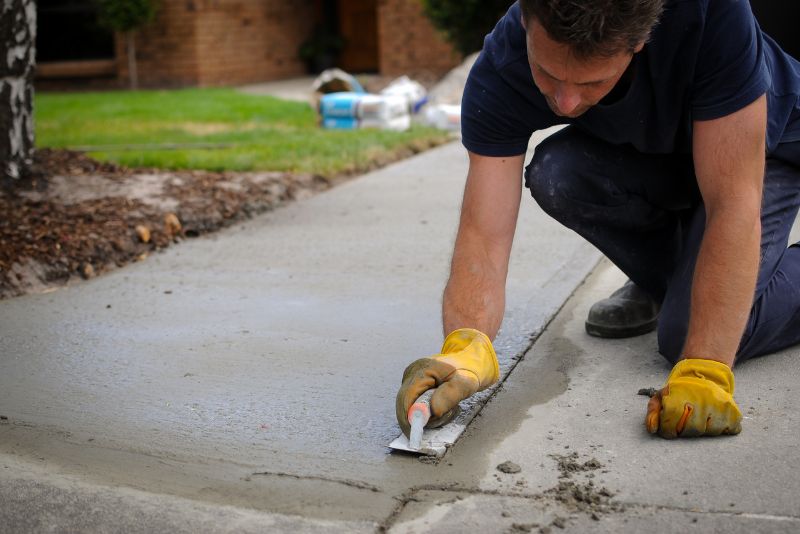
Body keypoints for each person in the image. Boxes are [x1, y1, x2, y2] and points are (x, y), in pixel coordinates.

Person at [396, 0, 800, 439]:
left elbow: (733, 204)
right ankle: (673, 278)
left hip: (764, 151)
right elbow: (483, 234)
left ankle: (680, 289)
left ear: (641, 41)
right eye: (548, 75)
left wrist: (706, 369)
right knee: (558, 175)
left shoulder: (712, 15)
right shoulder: (502, 66)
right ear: (527, 23)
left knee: (686, 334)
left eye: (593, 81)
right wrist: (465, 346)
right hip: (668, 155)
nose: (566, 103)